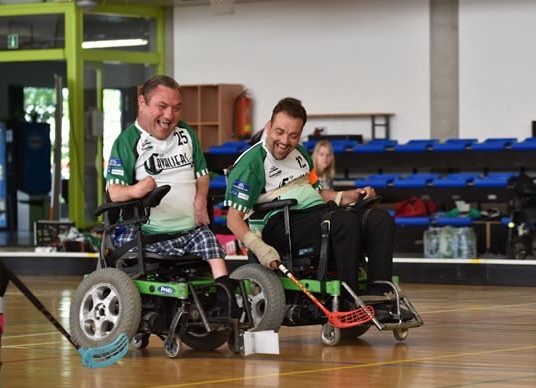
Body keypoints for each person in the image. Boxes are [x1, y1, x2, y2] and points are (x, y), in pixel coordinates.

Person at [224, 97, 398, 313]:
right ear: (268, 126)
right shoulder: (251, 163)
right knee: (342, 221)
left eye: (293, 135)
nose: (285, 141)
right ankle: (347, 301)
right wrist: (260, 249)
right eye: (279, 132)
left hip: (318, 216)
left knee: (379, 219)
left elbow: (318, 193)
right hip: (280, 225)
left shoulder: (303, 155)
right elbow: (233, 219)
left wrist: (351, 195)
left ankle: (379, 296)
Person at [105, 75, 238, 317]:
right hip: (149, 233)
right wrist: (136, 190)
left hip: (189, 229)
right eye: (162, 106)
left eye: (176, 108)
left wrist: (200, 201)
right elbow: (113, 192)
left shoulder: (185, 133)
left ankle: (226, 301)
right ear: (142, 103)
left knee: (212, 247)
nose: (169, 115)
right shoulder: (127, 142)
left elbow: (202, 174)